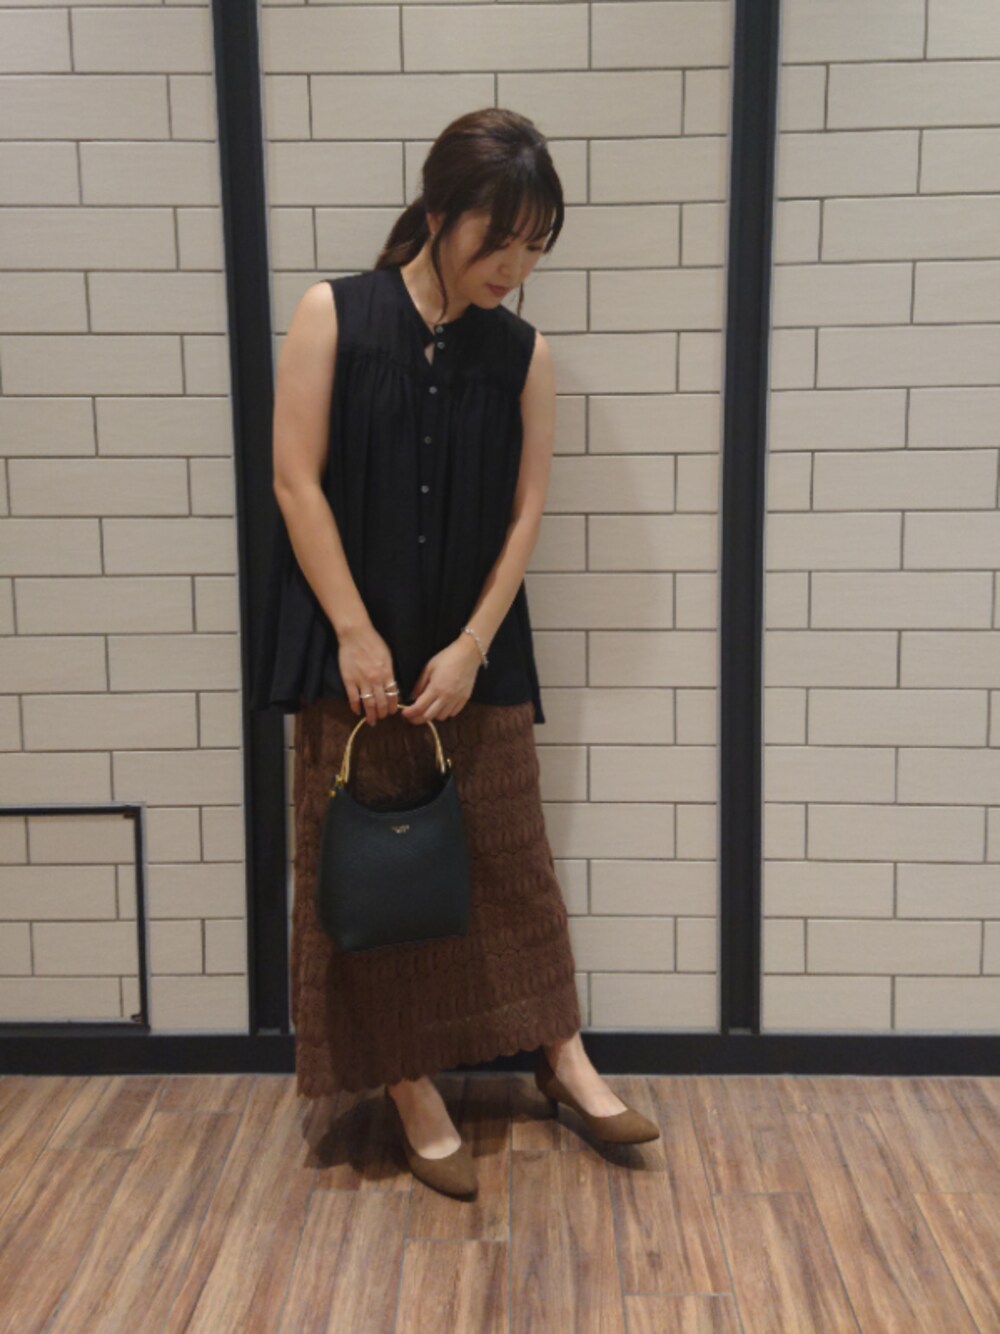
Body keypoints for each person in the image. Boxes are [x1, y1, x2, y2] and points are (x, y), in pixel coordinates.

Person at [251, 107, 659, 1199]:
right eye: (499, 241)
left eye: (536, 246)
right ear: (439, 214)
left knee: (513, 866)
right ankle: (409, 1083)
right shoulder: (335, 314)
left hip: (478, 654)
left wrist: (474, 644)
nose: (515, 268)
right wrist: (354, 630)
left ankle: (561, 1054)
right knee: (373, 878)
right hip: (354, 657)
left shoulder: (523, 356)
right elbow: (294, 480)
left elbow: (526, 512)